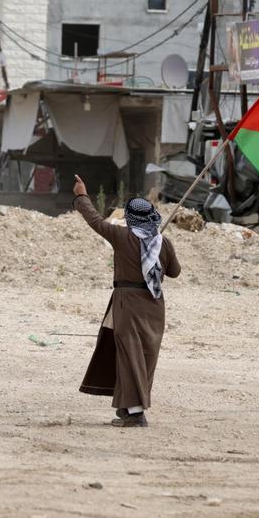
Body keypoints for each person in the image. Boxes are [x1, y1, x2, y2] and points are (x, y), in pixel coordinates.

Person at [72, 175, 181, 428]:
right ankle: (127, 406)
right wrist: (158, 251)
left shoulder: (122, 237)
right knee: (144, 357)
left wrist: (81, 196)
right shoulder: (162, 242)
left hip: (128, 304)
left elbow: (95, 221)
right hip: (154, 305)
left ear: (130, 218)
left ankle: (135, 414)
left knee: (130, 356)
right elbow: (174, 272)